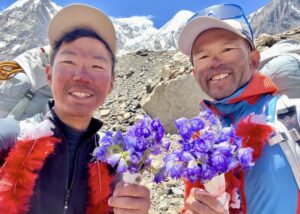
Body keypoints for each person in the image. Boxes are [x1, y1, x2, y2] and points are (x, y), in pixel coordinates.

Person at [0, 4, 150, 214]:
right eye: (69, 61)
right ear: (49, 74)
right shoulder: (7, 138)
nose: (82, 76)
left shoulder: (114, 161)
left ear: (112, 84)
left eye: (97, 66)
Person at [177, 3, 300, 214]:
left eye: (227, 49)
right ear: (194, 72)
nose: (215, 63)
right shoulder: (200, 138)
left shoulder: (290, 115)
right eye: (203, 56)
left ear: (254, 60)